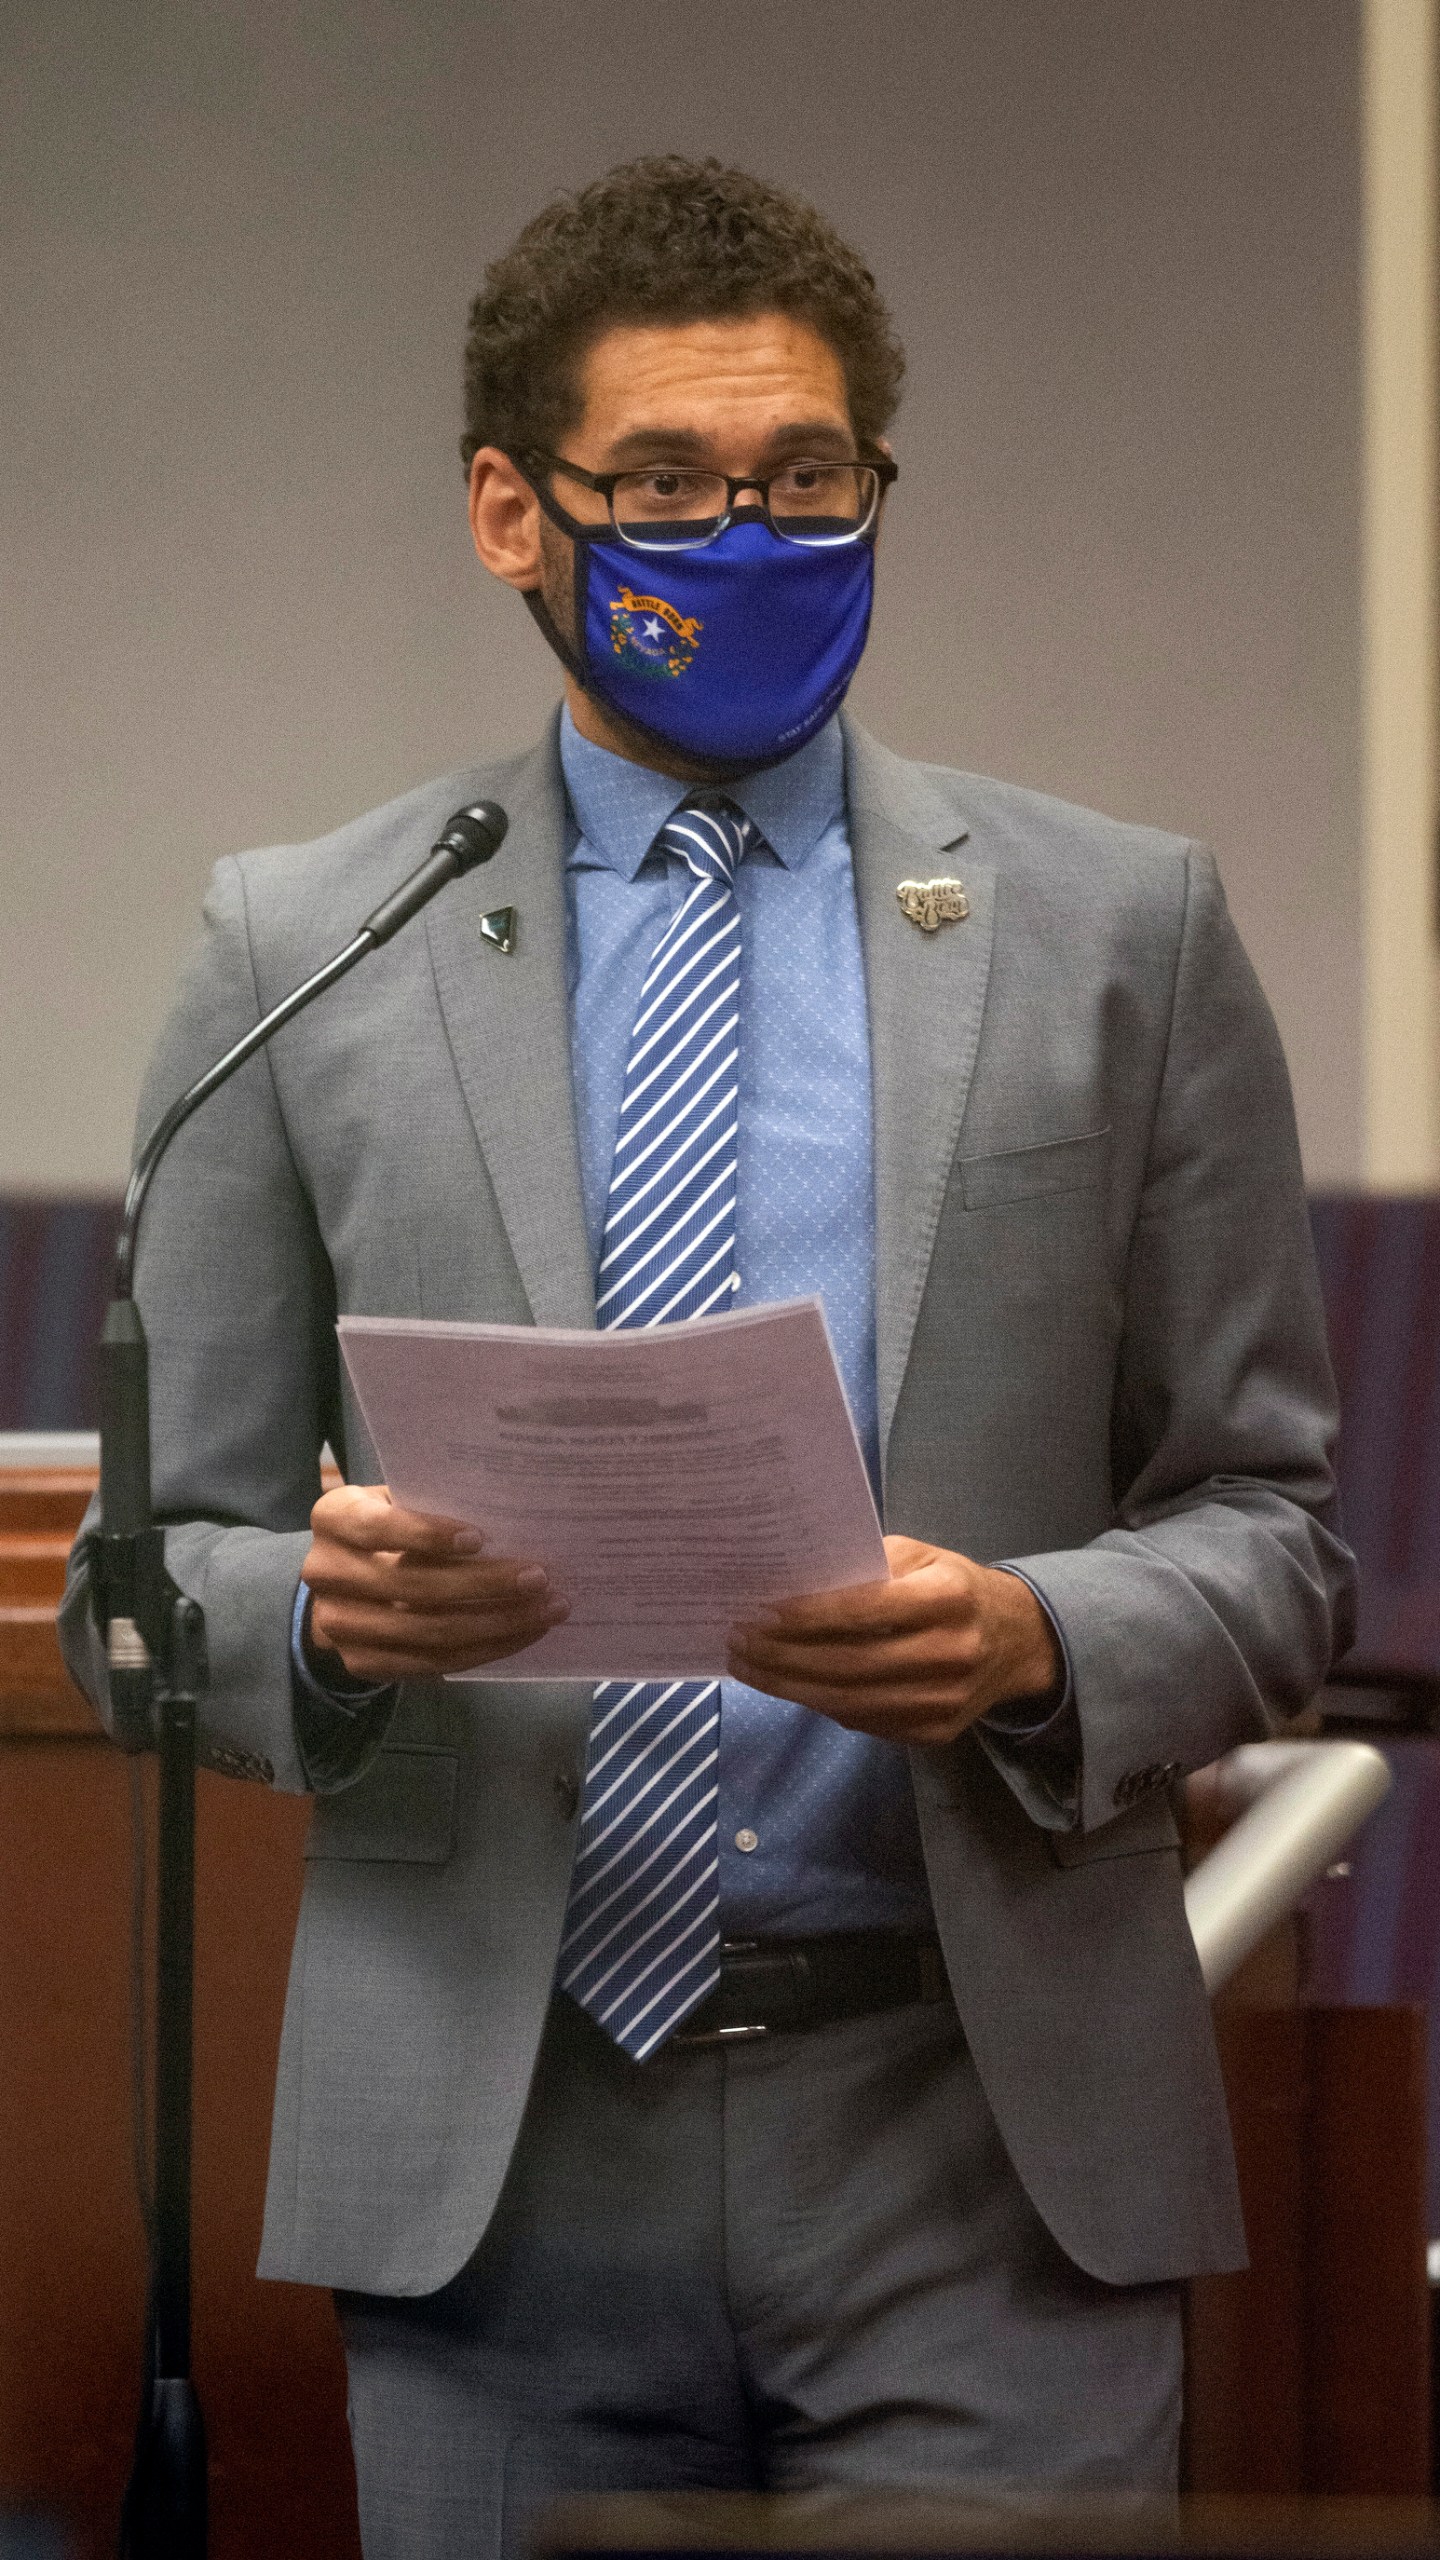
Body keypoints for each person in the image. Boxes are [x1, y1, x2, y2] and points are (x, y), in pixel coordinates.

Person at [62, 157, 1355, 2554]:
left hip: (981, 2128)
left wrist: (1038, 1632)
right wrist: (330, 1625)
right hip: (501, 2141)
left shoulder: (1120, 929)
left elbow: (1280, 1532)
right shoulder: (301, 947)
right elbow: (145, 1583)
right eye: (666, 484)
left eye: (806, 480)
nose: (744, 537)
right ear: (508, 508)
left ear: (876, 482)